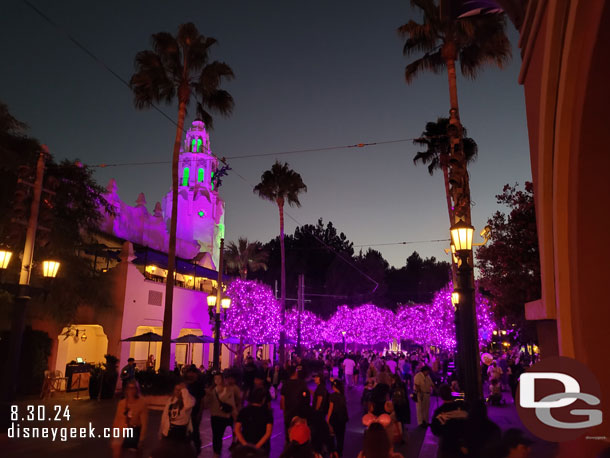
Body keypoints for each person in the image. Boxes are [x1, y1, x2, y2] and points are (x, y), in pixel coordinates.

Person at [157, 382, 197, 456]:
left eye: (180, 390)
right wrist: (161, 430)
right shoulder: (171, 400)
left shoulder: (190, 400)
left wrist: (184, 391)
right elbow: (165, 416)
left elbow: (188, 405)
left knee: (178, 453)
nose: (178, 392)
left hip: (181, 432)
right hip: (169, 430)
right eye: (176, 389)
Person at [112, 380, 148, 457]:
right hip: (121, 431)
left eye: (133, 388)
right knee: (117, 453)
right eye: (129, 388)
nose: (131, 391)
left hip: (134, 431)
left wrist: (141, 439)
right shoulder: (122, 403)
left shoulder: (141, 403)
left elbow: (144, 424)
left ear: (137, 390)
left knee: (132, 454)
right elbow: (117, 419)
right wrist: (113, 434)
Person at [430, 384, 468, 458]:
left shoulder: (439, 412)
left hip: (447, 446)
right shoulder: (463, 407)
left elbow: (435, 430)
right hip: (463, 444)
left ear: (441, 396)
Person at [205, 372, 237, 458]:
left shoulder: (228, 390)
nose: (217, 380)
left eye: (219, 378)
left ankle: (234, 443)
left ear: (222, 379)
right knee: (216, 436)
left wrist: (235, 416)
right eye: (215, 379)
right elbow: (206, 404)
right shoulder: (211, 391)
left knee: (233, 430)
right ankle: (216, 452)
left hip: (227, 416)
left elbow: (232, 404)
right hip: (215, 416)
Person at [235, 388, 274, 456]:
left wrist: (244, 444)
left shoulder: (244, 411)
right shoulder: (267, 413)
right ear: (263, 399)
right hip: (262, 448)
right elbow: (268, 433)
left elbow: (237, 429)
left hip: (245, 444)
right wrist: (257, 446)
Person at [281, 365, 310, 441]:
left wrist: (284, 412)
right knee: (301, 433)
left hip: (289, 411)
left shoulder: (285, 384)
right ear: (295, 372)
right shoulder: (301, 383)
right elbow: (306, 398)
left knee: (288, 432)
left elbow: (283, 399)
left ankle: (289, 446)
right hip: (300, 411)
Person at [185, 366, 206, 454]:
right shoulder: (185, 384)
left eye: (193, 372)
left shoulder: (199, 385)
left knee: (195, 430)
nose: (191, 374)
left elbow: (202, 400)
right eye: (189, 372)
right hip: (185, 411)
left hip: (195, 411)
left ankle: (196, 449)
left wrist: (200, 413)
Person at [326, 379, 348, 457]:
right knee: (340, 438)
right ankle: (339, 453)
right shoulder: (343, 395)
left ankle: (332, 453)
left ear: (334, 387)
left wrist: (327, 420)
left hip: (335, 419)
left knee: (331, 436)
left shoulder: (332, 396)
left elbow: (330, 409)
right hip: (342, 419)